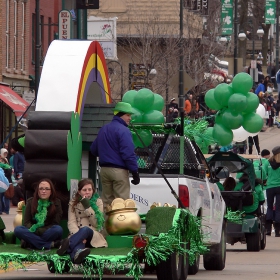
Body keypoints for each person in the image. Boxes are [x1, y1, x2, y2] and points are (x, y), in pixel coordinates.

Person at [90, 102, 140, 210]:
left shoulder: (104, 129)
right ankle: (120, 227)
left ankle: (105, 227)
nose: (130, 118)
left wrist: (106, 153)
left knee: (106, 203)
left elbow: (93, 150)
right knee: (121, 204)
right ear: (120, 115)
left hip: (104, 170)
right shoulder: (124, 131)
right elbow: (128, 154)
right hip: (119, 171)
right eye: (128, 115)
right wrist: (135, 171)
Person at [56, 178, 107, 264]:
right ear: (79, 192)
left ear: (93, 190)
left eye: (89, 190)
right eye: (84, 190)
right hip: (77, 234)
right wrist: (79, 236)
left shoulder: (98, 202)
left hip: (93, 234)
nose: (87, 192)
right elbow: (71, 222)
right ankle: (76, 256)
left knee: (85, 229)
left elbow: (97, 223)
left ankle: (67, 247)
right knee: (79, 244)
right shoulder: (73, 203)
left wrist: (87, 205)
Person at [14, 178, 63, 249]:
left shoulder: (56, 203)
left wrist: (40, 231)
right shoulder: (30, 202)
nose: (43, 191)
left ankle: (31, 243)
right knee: (18, 229)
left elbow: (55, 223)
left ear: (51, 191)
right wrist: (35, 230)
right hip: (32, 231)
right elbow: (26, 223)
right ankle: (49, 245)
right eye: (41, 189)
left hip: (47, 232)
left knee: (58, 229)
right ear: (38, 191)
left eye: (47, 189)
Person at [263, 146, 280, 237]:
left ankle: (268, 229)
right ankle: (277, 231)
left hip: (270, 186)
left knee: (269, 207)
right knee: (278, 208)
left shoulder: (267, 162)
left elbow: (264, 174)